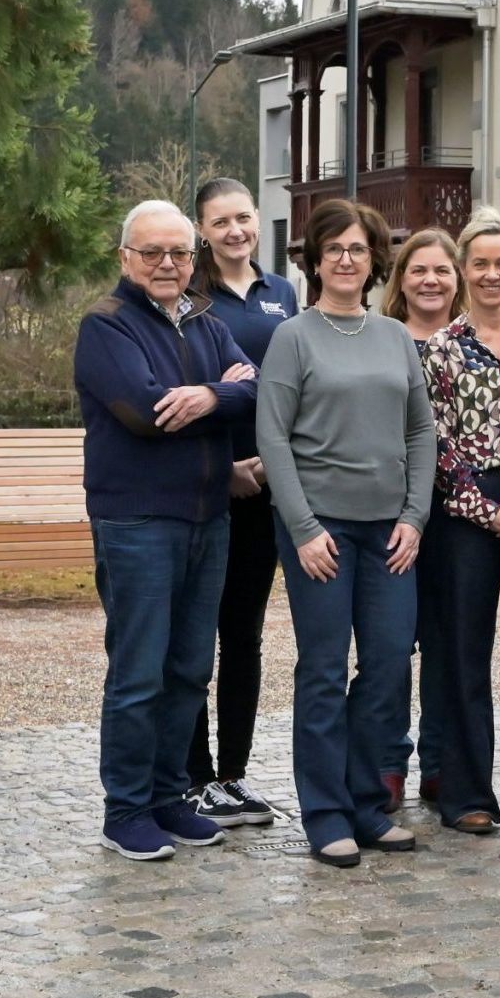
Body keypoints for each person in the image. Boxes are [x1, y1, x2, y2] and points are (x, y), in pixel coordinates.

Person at [74, 200, 259, 861]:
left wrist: (210, 396)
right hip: (138, 522)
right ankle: (125, 808)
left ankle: (168, 795)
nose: (167, 264)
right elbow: (147, 412)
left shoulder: (206, 319)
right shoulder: (105, 325)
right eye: (152, 252)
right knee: (138, 671)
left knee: (188, 667)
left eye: (179, 252)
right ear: (126, 257)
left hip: (209, 516)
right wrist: (221, 391)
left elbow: (259, 387)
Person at [256, 198, 436, 869]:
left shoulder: (393, 336)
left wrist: (415, 516)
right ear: (314, 258)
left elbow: (421, 429)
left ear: (372, 259)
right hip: (320, 531)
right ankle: (326, 812)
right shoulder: (294, 337)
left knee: (389, 666)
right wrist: (302, 527)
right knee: (325, 671)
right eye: (332, 248)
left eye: (357, 248)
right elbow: (272, 435)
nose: (345, 258)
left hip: (391, 531)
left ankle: (367, 802)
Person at [182, 177, 296, 831]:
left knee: (244, 637)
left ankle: (234, 774)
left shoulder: (281, 294)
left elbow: (288, 389)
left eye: (243, 217)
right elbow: (185, 391)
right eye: (220, 221)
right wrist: (224, 468)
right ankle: (194, 777)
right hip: (208, 487)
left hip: (267, 491)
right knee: (198, 635)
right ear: (203, 228)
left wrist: (272, 466)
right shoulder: (188, 301)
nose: (234, 230)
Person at [381, 228, 464, 812]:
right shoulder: (379, 340)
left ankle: (439, 764)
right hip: (388, 514)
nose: (430, 280)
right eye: (418, 271)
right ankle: (387, 762)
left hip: (457, 519)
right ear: (400, 280)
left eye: (441, 270)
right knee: (388, 646)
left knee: (445, 645)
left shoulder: (469, 341)